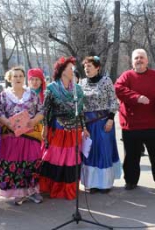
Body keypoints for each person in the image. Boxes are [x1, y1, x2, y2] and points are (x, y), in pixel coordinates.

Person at [115, 48, 155, 191]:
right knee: (131, 157)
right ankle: (131, 181)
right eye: (136, 58)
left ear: (147, 60)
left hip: (154, 124)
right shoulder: (126, 76)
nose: (139, 60)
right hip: (132, 125)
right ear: (132, 62)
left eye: (141, 57)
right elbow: (119, 89)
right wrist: (137, 98)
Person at [40, 57, 89, 200]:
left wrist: (84, 127)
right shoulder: (52, 88)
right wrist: (45, 128)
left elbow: (80, 111)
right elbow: (46, 110)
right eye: (70, 68)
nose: (73, 70)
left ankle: (70, 189)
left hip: (74, 130)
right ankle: (54, 188)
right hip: (58, 130)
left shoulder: (78, 90)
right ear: (62, 71)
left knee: (71, 160)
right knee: (56, 159)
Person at [0, 66, 44, 205]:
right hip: (11, 136)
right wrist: (8, 123)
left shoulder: (32, 95)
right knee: (14, 163)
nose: (18, 78)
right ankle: (18, 193)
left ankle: (33, 192)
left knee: (32, 161)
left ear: (24, 78)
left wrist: (34, 120)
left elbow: (41, 110)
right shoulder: (4, 95)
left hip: (31, 135)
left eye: (20, 76)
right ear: (9, 79)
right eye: (14, 76)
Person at [80, 56, 121, 194]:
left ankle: (104, 184)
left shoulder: (106, 81)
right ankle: (91, 184)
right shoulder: (82, 83)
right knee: (90, 152)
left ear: (97, 68)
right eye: (85, 67)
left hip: (104, 122)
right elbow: (80, 105)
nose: (87, 69)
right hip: (88, 124)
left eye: (89, 67)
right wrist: (83, 126)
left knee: (103, 151)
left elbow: (114, 101)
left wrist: (110, 118)